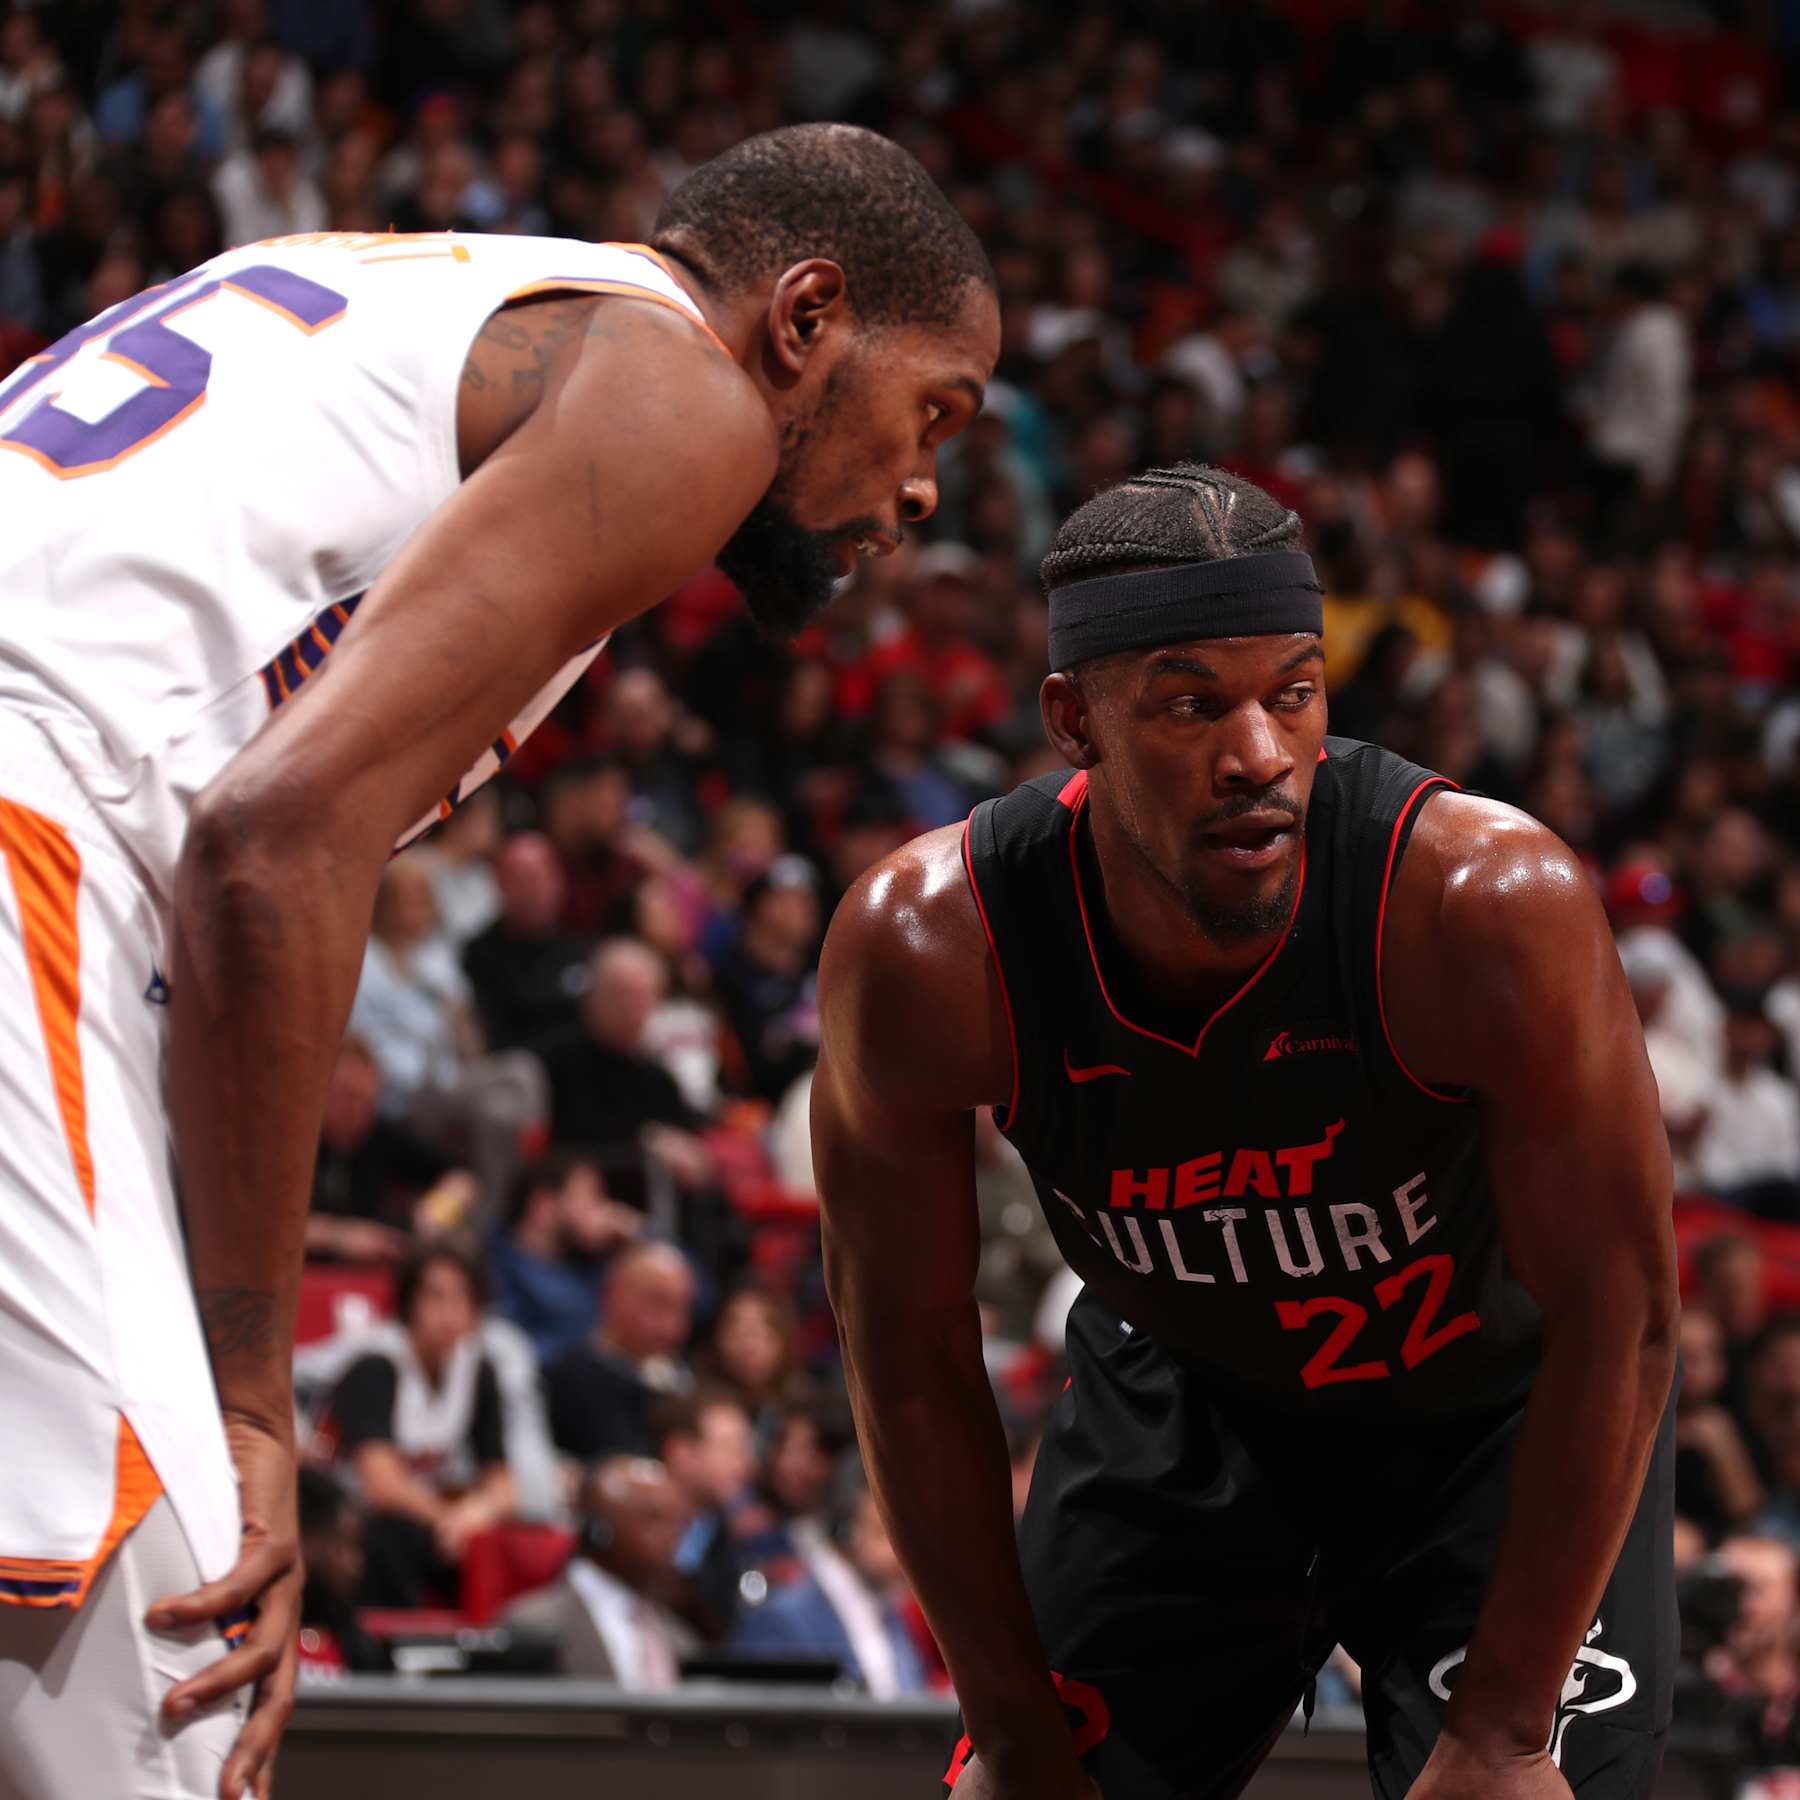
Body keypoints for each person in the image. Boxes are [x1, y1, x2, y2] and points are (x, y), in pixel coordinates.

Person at [0, 121, 996, 1798]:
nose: (921, 490)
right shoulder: (689, 392)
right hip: (29, 839)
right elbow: (270, 846)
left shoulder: (375, 282)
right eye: (934, 414)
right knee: (179, 1688)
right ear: (807, 317)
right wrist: (257, 1406)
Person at [812, 464, 1679, 1799]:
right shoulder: (932, 947)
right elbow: (908, 1355)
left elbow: (1624, 1312)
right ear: (1074, 721)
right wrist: (1013, 1727)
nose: (1260, 754)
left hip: (1488, 1432)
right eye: (1189, 703)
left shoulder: (1481, 907)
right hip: (1183, 1414)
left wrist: (1506, 1730)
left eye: (1294, 692)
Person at [323, 1241, 517, 1607]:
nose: (448, 1313)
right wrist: (446, 1518)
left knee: (493, 1541)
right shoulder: (375, 1364)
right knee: (396, 1536)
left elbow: (504, 1484)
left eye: (461, 1299)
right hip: (348, 1516)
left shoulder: (478, 1370)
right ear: (409, 1302)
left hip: (428, 1518)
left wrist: (473, 1515)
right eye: (436, 1297)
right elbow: (381, 1484)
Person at [500, 1457, 697, 1686]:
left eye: (676, 1524)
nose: (672, 1538)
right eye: (654, 1521)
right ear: (597, 1531)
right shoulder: (533, 1627)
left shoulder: (680, 1639)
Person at [730, 1484, 929, 1696]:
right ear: (845, 1533)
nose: (901, 1553)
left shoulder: (892, 1614)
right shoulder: (780, 1619)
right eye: (885, 1535)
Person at [546, 1241, 697, 1463]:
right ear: (611, 1293)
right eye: (658, 1303)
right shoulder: (571, 1379)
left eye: (683, 1308)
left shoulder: (681, 1380)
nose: (672, 1325)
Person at [487, 1151, 640, 1368]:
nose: (603, 1211)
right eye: (590, 1197)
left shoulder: (596, 1260)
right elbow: (512, 1354)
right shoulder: (496, 1269)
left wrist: (636, 1236)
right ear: (544, 1205)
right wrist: (589, 1348)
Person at [651, 1388, 759, 1640]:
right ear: (680, 1452)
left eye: (744, 1448)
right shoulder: (630, 1530)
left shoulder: (726, 1540)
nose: (745, 1462)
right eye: (729, 1447)